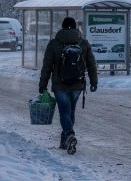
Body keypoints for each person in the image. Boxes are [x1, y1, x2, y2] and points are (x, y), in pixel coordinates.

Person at [39, 17, 98, 155]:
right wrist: (94, 81)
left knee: (64, 111)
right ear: (75, 27)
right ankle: (66, 139)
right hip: (77, 84)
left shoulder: (54, 44)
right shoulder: (83, 43)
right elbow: (91, 64)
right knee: (70, 111)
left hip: (60, 84)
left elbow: (47, 66)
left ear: (63, 27)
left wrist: (43, 84)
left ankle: (69, 134)